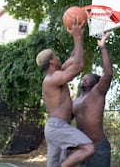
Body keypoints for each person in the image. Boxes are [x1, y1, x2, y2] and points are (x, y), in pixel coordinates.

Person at [36, 17, 95, 167]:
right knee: (88, 148)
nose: (58, 57)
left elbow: (75, 57)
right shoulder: (53, 79)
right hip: (57, 127)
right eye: (55, 56)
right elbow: (79, 65)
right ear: (51, 61)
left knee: (55, 163)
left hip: (56, 127)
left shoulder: (58, 73)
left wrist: (78, 36)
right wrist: (76, 38)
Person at [73, 31, 113, 167]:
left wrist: (102, 46)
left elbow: (108, 74)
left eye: (87, 77)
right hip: (83, 149)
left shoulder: (96, 94)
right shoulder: (76, 101)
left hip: (98, 149)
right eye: (82, 78)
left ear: (95, 82)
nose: (83, 79)